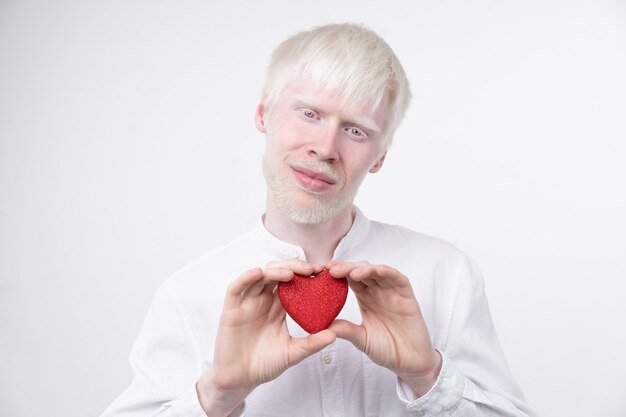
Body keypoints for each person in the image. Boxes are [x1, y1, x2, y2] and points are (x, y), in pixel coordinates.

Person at [101, 23, 536, 417]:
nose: (325, 148)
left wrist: (428, 375)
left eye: (356, 130)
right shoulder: (189, 295)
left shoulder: (448, 274)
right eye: (309, 114)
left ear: (380, 156)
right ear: (262, 114)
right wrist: (217, 396)